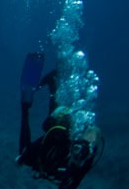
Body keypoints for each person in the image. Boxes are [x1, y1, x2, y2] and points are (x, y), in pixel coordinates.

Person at [17, 53, 104, 189]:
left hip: (51, 159)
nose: (78, 154)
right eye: (78, 149)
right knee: (26, 151)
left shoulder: (79, 167)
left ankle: (53, 83)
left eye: (84, 153)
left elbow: (72, 183)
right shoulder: (64, 139)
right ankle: (29, 103)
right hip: (52, 141)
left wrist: (89, 150)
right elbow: (47, 132)